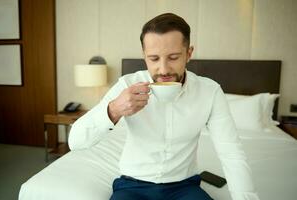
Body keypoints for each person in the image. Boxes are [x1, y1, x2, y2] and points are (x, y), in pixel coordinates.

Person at [68, 13, 260, 200]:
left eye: (174, 57)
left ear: (189, 53)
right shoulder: (127, 85)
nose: (164, 69)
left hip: (184, 187)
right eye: (154, 59)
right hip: (132, 186)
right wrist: (113, 110)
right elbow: (75, 142)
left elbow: (231, 153)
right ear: (144, 56)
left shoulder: (209, 91)